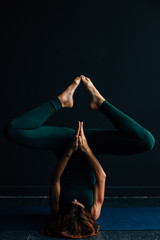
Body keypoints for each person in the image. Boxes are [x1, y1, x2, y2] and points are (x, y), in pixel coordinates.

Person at [5, 75, 155, 238]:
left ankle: (61, 102)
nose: (76, 202)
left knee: (13, 131)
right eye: (79, 206)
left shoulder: (57, 211)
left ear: (63, 217)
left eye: (72, 206)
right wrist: (86, 149)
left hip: (64, 145)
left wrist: (69, 150)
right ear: (86, 216)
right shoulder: (93, 212)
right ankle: (101, 103)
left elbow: (55, 177)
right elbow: (101, 176)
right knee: (147, 141)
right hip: (92, 146)